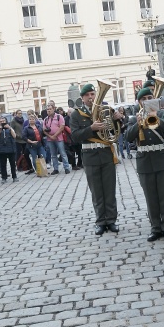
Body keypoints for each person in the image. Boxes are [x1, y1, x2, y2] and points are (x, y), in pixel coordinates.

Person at [70, 83, 124, 235]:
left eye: (92, 94)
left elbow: (115, 131)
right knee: (96, 191)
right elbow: (74, 136)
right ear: (82, 98)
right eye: (87, 95)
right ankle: (100, 221)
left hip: (106, 153)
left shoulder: (105, 110)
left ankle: (111, 220)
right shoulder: (77, 114)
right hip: (90, 155)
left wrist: (117, 119)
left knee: (109, 189)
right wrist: (91, 129)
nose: (91, 97)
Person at [125, 88, 164, 241]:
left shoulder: (163, 113)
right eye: (144, 99)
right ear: (139, 102)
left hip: (162, 158)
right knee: (150, 197)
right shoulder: (134, 117)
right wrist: (138, 123)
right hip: (145, 161)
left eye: (150, 97)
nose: (147, 101)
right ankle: (155, 228)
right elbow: (128, 137)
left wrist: (156, 118)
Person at [43, 102, 72, 175]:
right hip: (50, 139)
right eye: (47, 109)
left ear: (53, 109)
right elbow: (44, 130)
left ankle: (66, 168)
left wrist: (55, 135)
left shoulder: (59, 117)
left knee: (63, 153)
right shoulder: (46, 119)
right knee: (53, 155)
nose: (48, 111)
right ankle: (56, 169)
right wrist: (50, 136)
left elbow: (62, 127)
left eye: (50, 109)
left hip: (59, 138)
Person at [0, 116, 19, 183]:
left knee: (12, 163)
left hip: (10, 148)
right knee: (2, 164)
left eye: (3, 121)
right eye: (1, 122)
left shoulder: (10, 128)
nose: (2, 123)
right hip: (1, 148)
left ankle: (14, 176)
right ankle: (4, 177)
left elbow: (14, 136)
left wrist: (9, 128)